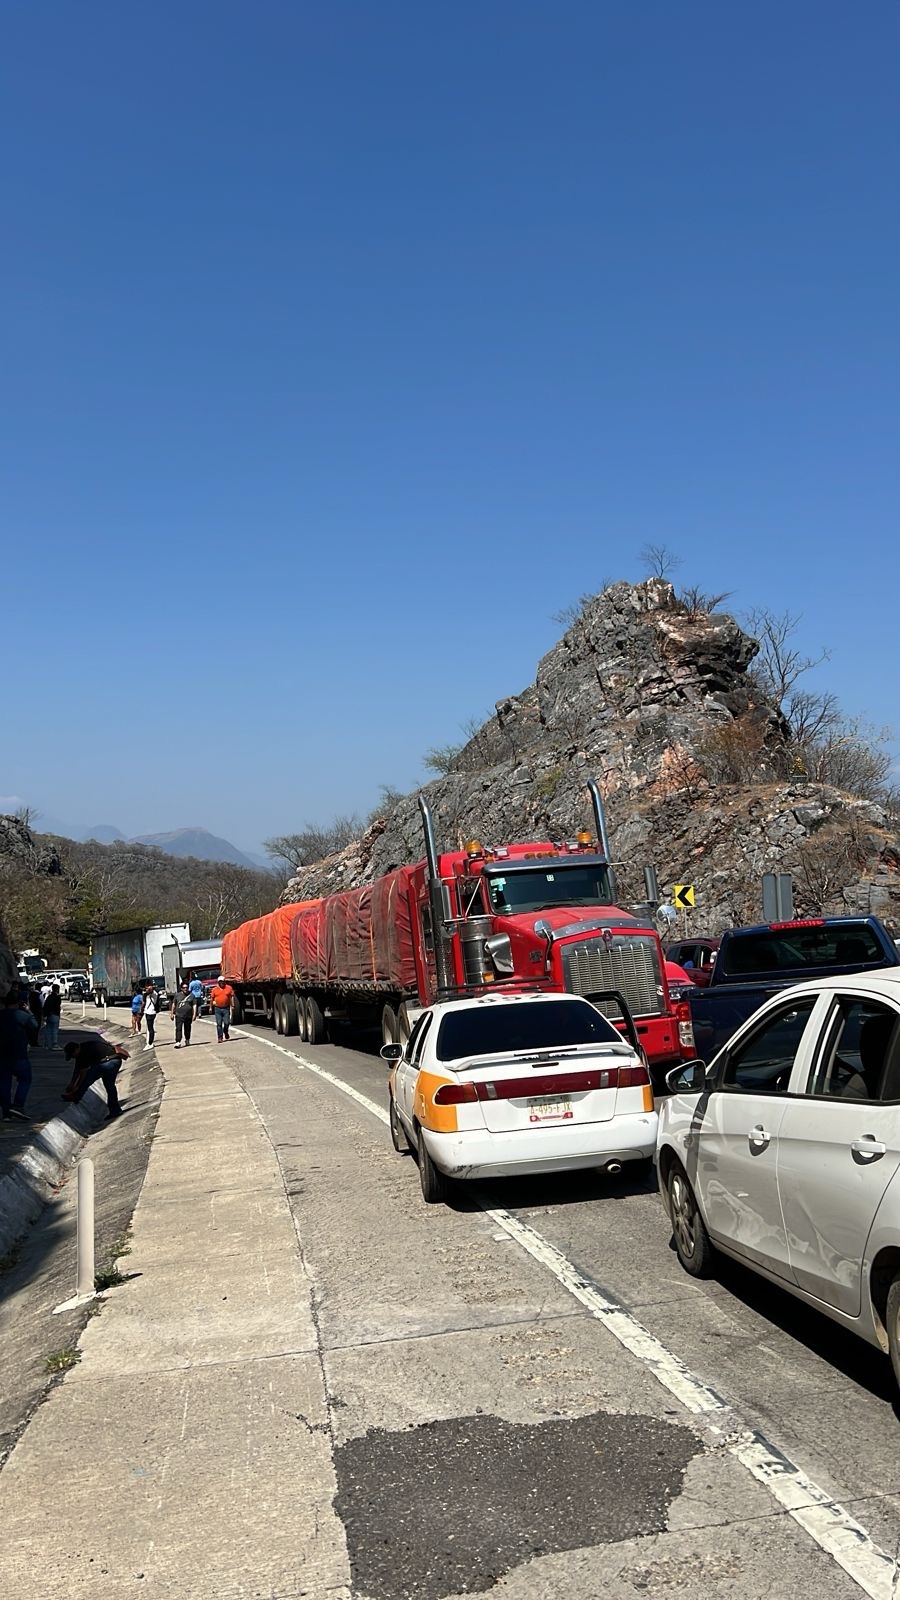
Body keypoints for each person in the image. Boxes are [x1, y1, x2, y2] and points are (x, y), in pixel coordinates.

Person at [63, 1035, 128, 1120]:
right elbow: (77, 1070)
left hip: (106, 1062)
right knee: (110, 1086)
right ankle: (115, 1111)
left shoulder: (83, 1053)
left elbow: (82, 1073)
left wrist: (75, 1088)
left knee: (87, 1080)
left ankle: (76, 1097)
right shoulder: (86, 1046)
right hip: (116, 1060)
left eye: (72, 1055)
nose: (73, 1057)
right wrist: (72, 1084)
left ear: (76, 1050)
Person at [0, 990, 38, 1120]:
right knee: (25, 1079)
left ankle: (6, 1112)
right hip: (19, 1054)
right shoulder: (22, 1015)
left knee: (4, 1082)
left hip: (2, 1056)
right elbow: (34, 1026)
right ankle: (17, 1105)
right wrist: (29, 1011)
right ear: (20, 1003)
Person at [209, 976, 235, 1043]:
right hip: (218, 1008)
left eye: (222, 981)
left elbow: (231, 997)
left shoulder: (229, 988)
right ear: (218, 982)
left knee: (227, 1022)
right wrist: (210, 1007)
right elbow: (212, 999)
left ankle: (225, 1031)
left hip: (226, 1008)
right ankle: (220, 1037)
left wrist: (232, 1005)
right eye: (220, 981)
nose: (221, 983)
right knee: (219, 1024)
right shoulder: (215, 989)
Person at [171, 983, 195, 1048]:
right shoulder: (177, 995)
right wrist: (172, 1013)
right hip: (179, 1015)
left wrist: (194, 1014)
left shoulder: (191, 995)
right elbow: (174, 1004)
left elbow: (194, 1005)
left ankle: (187, 1039)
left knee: (187, 1028)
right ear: (181, 988)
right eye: (184, 988)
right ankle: (178, 1042)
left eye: (186, 987)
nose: (185, 989)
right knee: (178, 1028)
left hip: (188, 1015)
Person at [42, 983, 63, 1050]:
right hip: (55, 1014)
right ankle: (55, 1044)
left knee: (48, 1030)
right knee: (54, 1030)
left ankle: (46, 1045)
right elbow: (58, 1006)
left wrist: (44, 1015)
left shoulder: (49, 997)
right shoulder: (57, 997)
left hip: (48, 1015)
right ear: (57, 990)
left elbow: (45, 1006)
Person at [142, 982, 158, 1049]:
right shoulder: (146, 994)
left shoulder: (154, 993)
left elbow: (151, 990)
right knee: (149, 1028)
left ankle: (150, 1043)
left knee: (150, 1028)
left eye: (148, 986)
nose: (147, 988)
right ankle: (148, 1042)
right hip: (147, 1012)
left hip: (152, 1012)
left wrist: (149, 988)